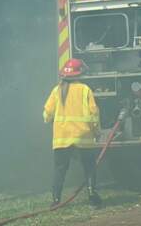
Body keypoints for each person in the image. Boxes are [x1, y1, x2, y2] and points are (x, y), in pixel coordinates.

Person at [43, 58, 102, 208]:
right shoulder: (85, 90)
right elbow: (94, 113)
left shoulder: (56, 90)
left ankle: (56, 201)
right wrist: (96, 132)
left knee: (60, 169)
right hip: (83, 137)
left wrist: (51, 121)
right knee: (89, 167)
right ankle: (92, 197)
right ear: (79, 73)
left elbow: (47, 114)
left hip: (61, 139)